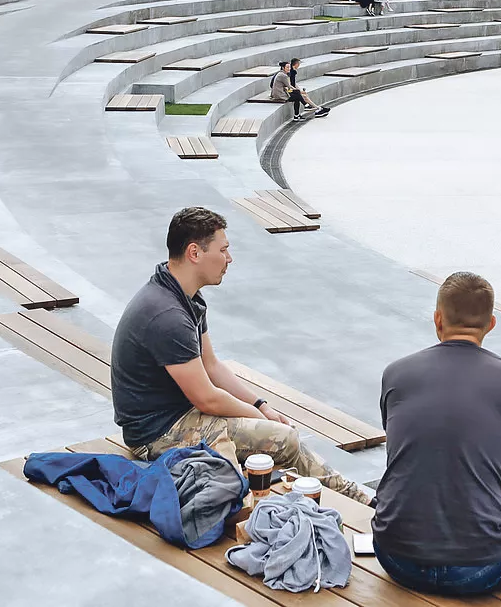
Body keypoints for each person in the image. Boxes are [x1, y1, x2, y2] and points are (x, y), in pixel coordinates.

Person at [111, 207, 370, 503]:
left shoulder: (183, 295)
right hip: (157, 435)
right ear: (195, 252)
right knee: (283, 439)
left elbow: (212, 366)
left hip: (178, 415)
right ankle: (356, 500)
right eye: (223, 250)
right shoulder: (167, 315)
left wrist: (262, 406)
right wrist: (260, 420)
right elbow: (206, 397)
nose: (229, 259)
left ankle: (351, 495)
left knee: (280, 435)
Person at [372, 272, 501, 607]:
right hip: (481, 569)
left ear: (438, 318)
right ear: (491, 324)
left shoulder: (396, 373)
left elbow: (404, 452)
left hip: (397, 557)